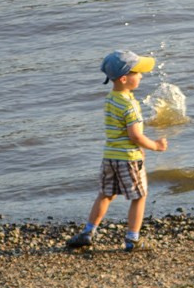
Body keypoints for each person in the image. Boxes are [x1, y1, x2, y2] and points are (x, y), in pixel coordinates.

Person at [65, 50, 169, 252]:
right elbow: (135, 136)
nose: (141, 76)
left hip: (110, 157)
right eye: (137, 73)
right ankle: (132, 239)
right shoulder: (130, 105)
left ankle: (88, 232)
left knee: (105, 194)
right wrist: (155, 145)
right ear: (124, 79)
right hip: (129, 158)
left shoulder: (110, 99)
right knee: (139, 196)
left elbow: (119, 132)